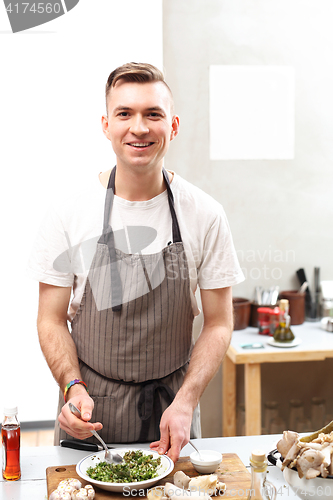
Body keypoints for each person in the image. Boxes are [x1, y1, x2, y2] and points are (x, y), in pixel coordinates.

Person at [27, 62, 244, 463]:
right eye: (125, 114)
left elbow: (218, 323)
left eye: (153, 114)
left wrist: (187, 400)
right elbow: (51, 319)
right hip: (90, 415)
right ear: (106, 124)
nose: (139, 128)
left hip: (172, 413)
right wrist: (72, 387)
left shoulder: (205, 214)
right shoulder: (68, 212)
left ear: (173, 125)